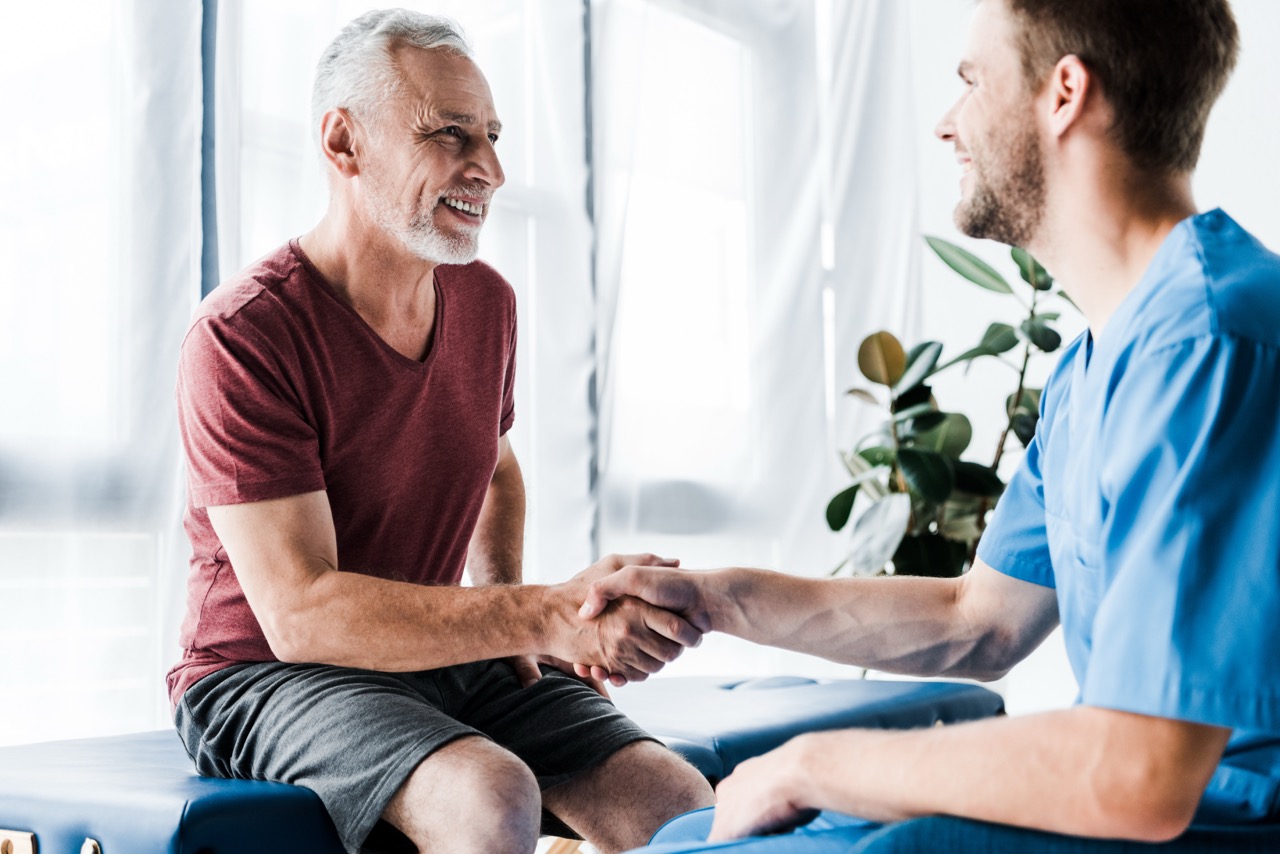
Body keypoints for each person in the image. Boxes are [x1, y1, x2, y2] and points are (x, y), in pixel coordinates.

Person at [578, 1, 1280, 851]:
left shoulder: (1207, 340)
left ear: (1064, 94)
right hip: (1146, 809)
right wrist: (708, 600)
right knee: (689, 835)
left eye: (971, 81)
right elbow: (976, 620)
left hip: (1219, 824)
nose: (948, 125)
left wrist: (810, 763)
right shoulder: (1101, 360)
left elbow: (1143, 772)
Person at [167, 10, 713, 854]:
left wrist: (515, 627)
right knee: (489, 796)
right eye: (449, 135)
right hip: (262, 676)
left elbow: (495, 470)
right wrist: (533, 614)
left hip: (424, 661)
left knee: (677, 802)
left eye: (492, 136)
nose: (489, 168)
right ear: (344, 144)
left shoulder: (486, 301)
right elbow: (301, 615)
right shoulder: (243, 335)